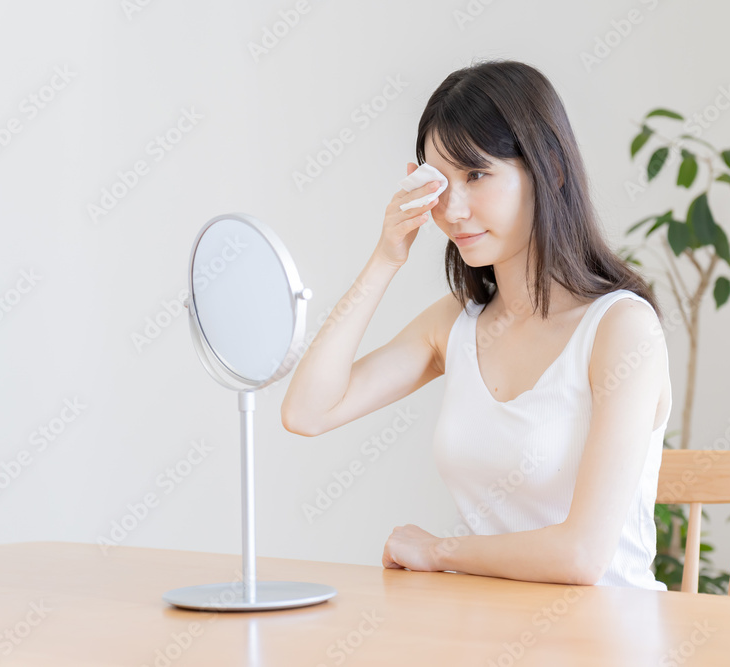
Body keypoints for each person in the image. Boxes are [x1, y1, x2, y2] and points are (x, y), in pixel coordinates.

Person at [281, 59, 672, 590]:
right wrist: (386, 258)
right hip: (490, 624)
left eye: (476, 175)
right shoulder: (456, 325)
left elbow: (582, 557)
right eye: (440, 183)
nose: (453, 210)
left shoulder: (621, 329)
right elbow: (306, 412)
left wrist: (437, 551)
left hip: (608, 627)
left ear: (550, 169)